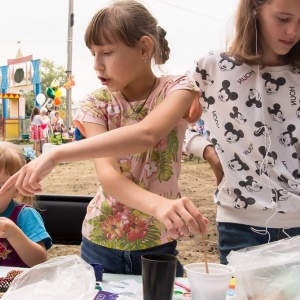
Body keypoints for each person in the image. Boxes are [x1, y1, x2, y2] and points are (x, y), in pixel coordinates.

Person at [0, 0, 208, 276]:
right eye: (93, 54)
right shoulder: (96, 103)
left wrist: (56, 153)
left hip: (159, 240)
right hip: (100, 240)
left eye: (107, 53)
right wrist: (160, 205)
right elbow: (110, 177)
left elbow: (147, 134)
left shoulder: (177, 88)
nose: (97, 65)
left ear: (144, 47)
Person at [184, 0, 300, 264]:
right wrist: (208, 151)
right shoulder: (210, 67)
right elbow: (172, 128)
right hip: (239, 226)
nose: (293, 31)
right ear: (255, 9)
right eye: (283, 19)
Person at [0, 142, 52, 267]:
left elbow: (39, 261)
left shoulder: (25, 216)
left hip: (20, 284)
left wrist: (14, 233)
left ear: (17, 189)